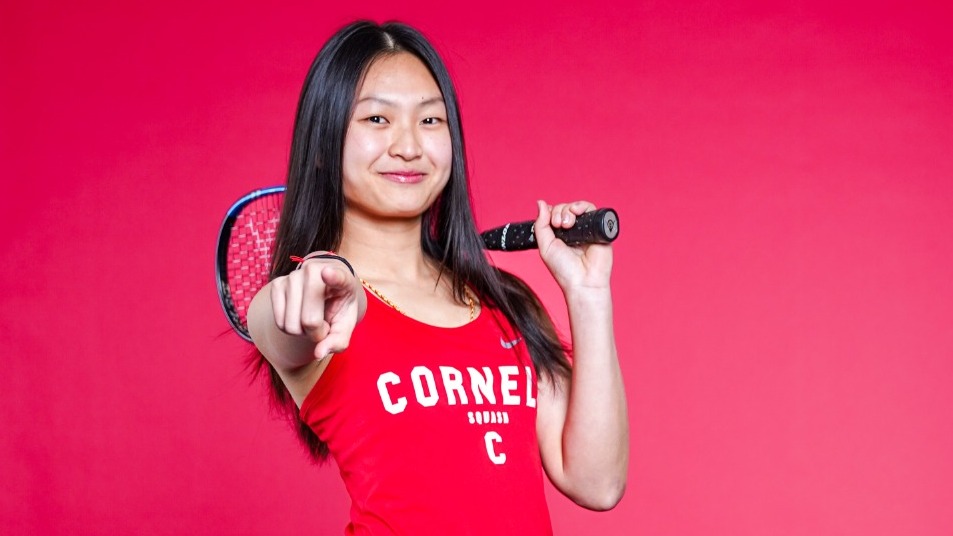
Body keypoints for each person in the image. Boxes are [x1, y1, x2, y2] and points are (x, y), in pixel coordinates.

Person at [247, 20, 628, 535]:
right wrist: (330, 281)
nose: (409, 146)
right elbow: (284, 321)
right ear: (322, 144)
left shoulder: (506, 302)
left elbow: (598, 483)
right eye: (377, 118)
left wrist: (588, 294)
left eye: (430, 120)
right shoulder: (311, 299)